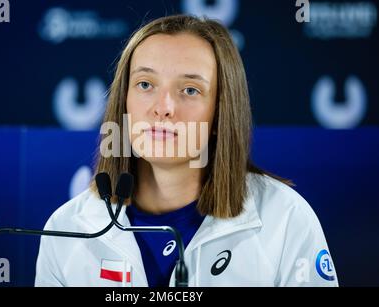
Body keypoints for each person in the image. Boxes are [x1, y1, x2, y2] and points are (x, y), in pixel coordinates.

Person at [35, 15, 338, 287]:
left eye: (190, 90)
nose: (163, 108)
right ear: (123, 102)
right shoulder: (66, 229)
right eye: (145, 84)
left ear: (221, 112)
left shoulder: (285, 219)